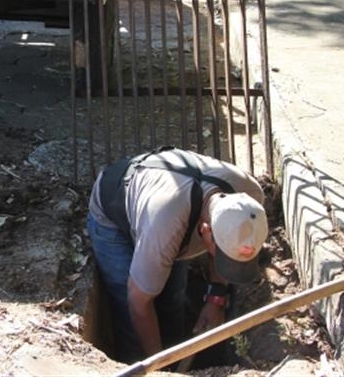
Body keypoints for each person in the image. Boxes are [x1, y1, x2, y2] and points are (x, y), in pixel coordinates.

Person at [86, 147, 269, 362]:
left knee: (171, 300)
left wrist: (215, 300)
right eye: (224, 257)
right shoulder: (166, 227)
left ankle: (173, 351)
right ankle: (134, 363)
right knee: (130, 312)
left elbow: (223, 242)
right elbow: (138, 302)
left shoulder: (250, 200)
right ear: (206, 232)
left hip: (171, 206)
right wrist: (158, 368)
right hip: (114, 213)